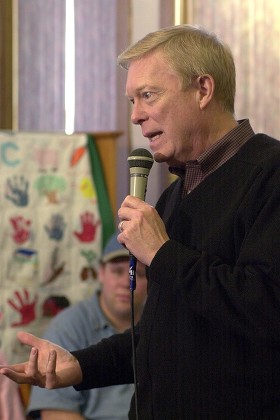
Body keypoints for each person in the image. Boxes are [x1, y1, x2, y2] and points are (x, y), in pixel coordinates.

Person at [1, 23, 280, 418]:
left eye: (148, 95)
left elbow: (266, 309)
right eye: (132, 100)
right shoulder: (172, 196)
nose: (135, 116)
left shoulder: (270, 173)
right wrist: (80, 365)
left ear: (203, 89)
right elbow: (165, 335)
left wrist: (163, 253)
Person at [27, 232, 147, 419]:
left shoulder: (160, 323)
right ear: (101, 272)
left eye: (137, 273)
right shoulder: (68, 327)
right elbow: (55, 412)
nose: (126, 282)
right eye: (117, 271)